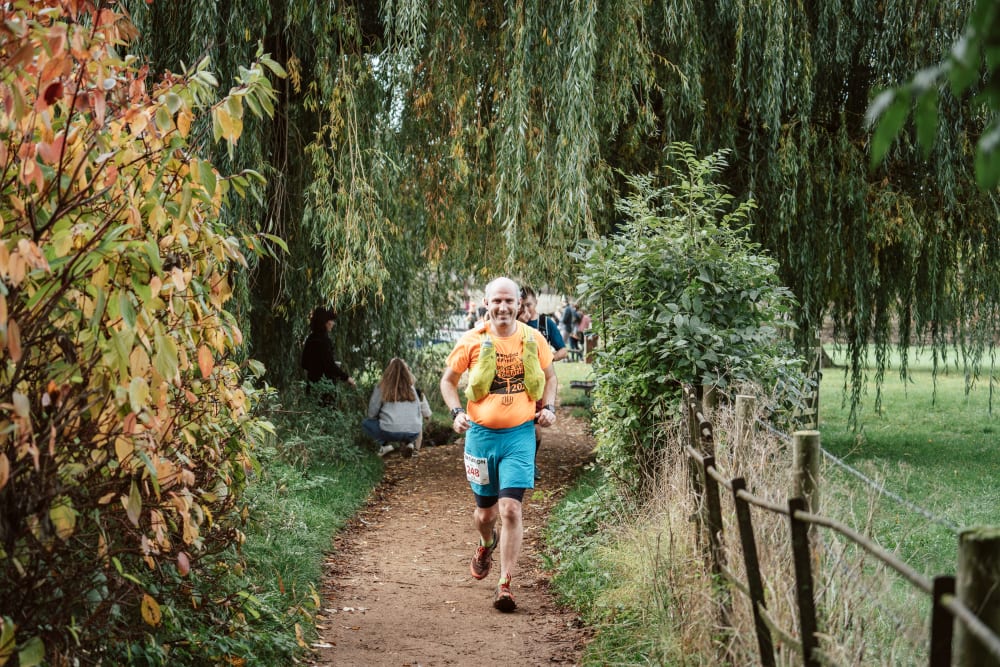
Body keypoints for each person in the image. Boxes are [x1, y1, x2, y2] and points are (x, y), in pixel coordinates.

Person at [440, 277, 557, 613]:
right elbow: (448, 382)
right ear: (486, 303)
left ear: (519, 305)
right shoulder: (472, 340)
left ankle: (505, 584)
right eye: (497, 301)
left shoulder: (533, 339)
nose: (503, 307)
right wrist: (456, 413)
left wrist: (549, 407)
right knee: (485, 514)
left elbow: (550, 377)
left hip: (519, 435)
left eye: (509, 301)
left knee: (510, 509)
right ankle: (485, 542)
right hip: (480, 437)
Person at [363, 358, 432, 458]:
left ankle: (385, 445)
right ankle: (410, 443)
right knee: (410, 423)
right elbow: (419, 409)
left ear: (388, 370)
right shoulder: (412, 389)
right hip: (414, 432)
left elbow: (372, 413)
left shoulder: (382, 387)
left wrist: (380, 417)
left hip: (390, 431)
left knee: (366, 423)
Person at [300, 306, 356, 395]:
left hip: (311, 386)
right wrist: (346, 378)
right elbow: (330, 365)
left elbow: (304, 363)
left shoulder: (310, 339)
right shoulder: (324, 341)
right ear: (325, 322)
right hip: (325, 388)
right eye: (331, 320)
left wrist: (316, 367)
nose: (333, 323)